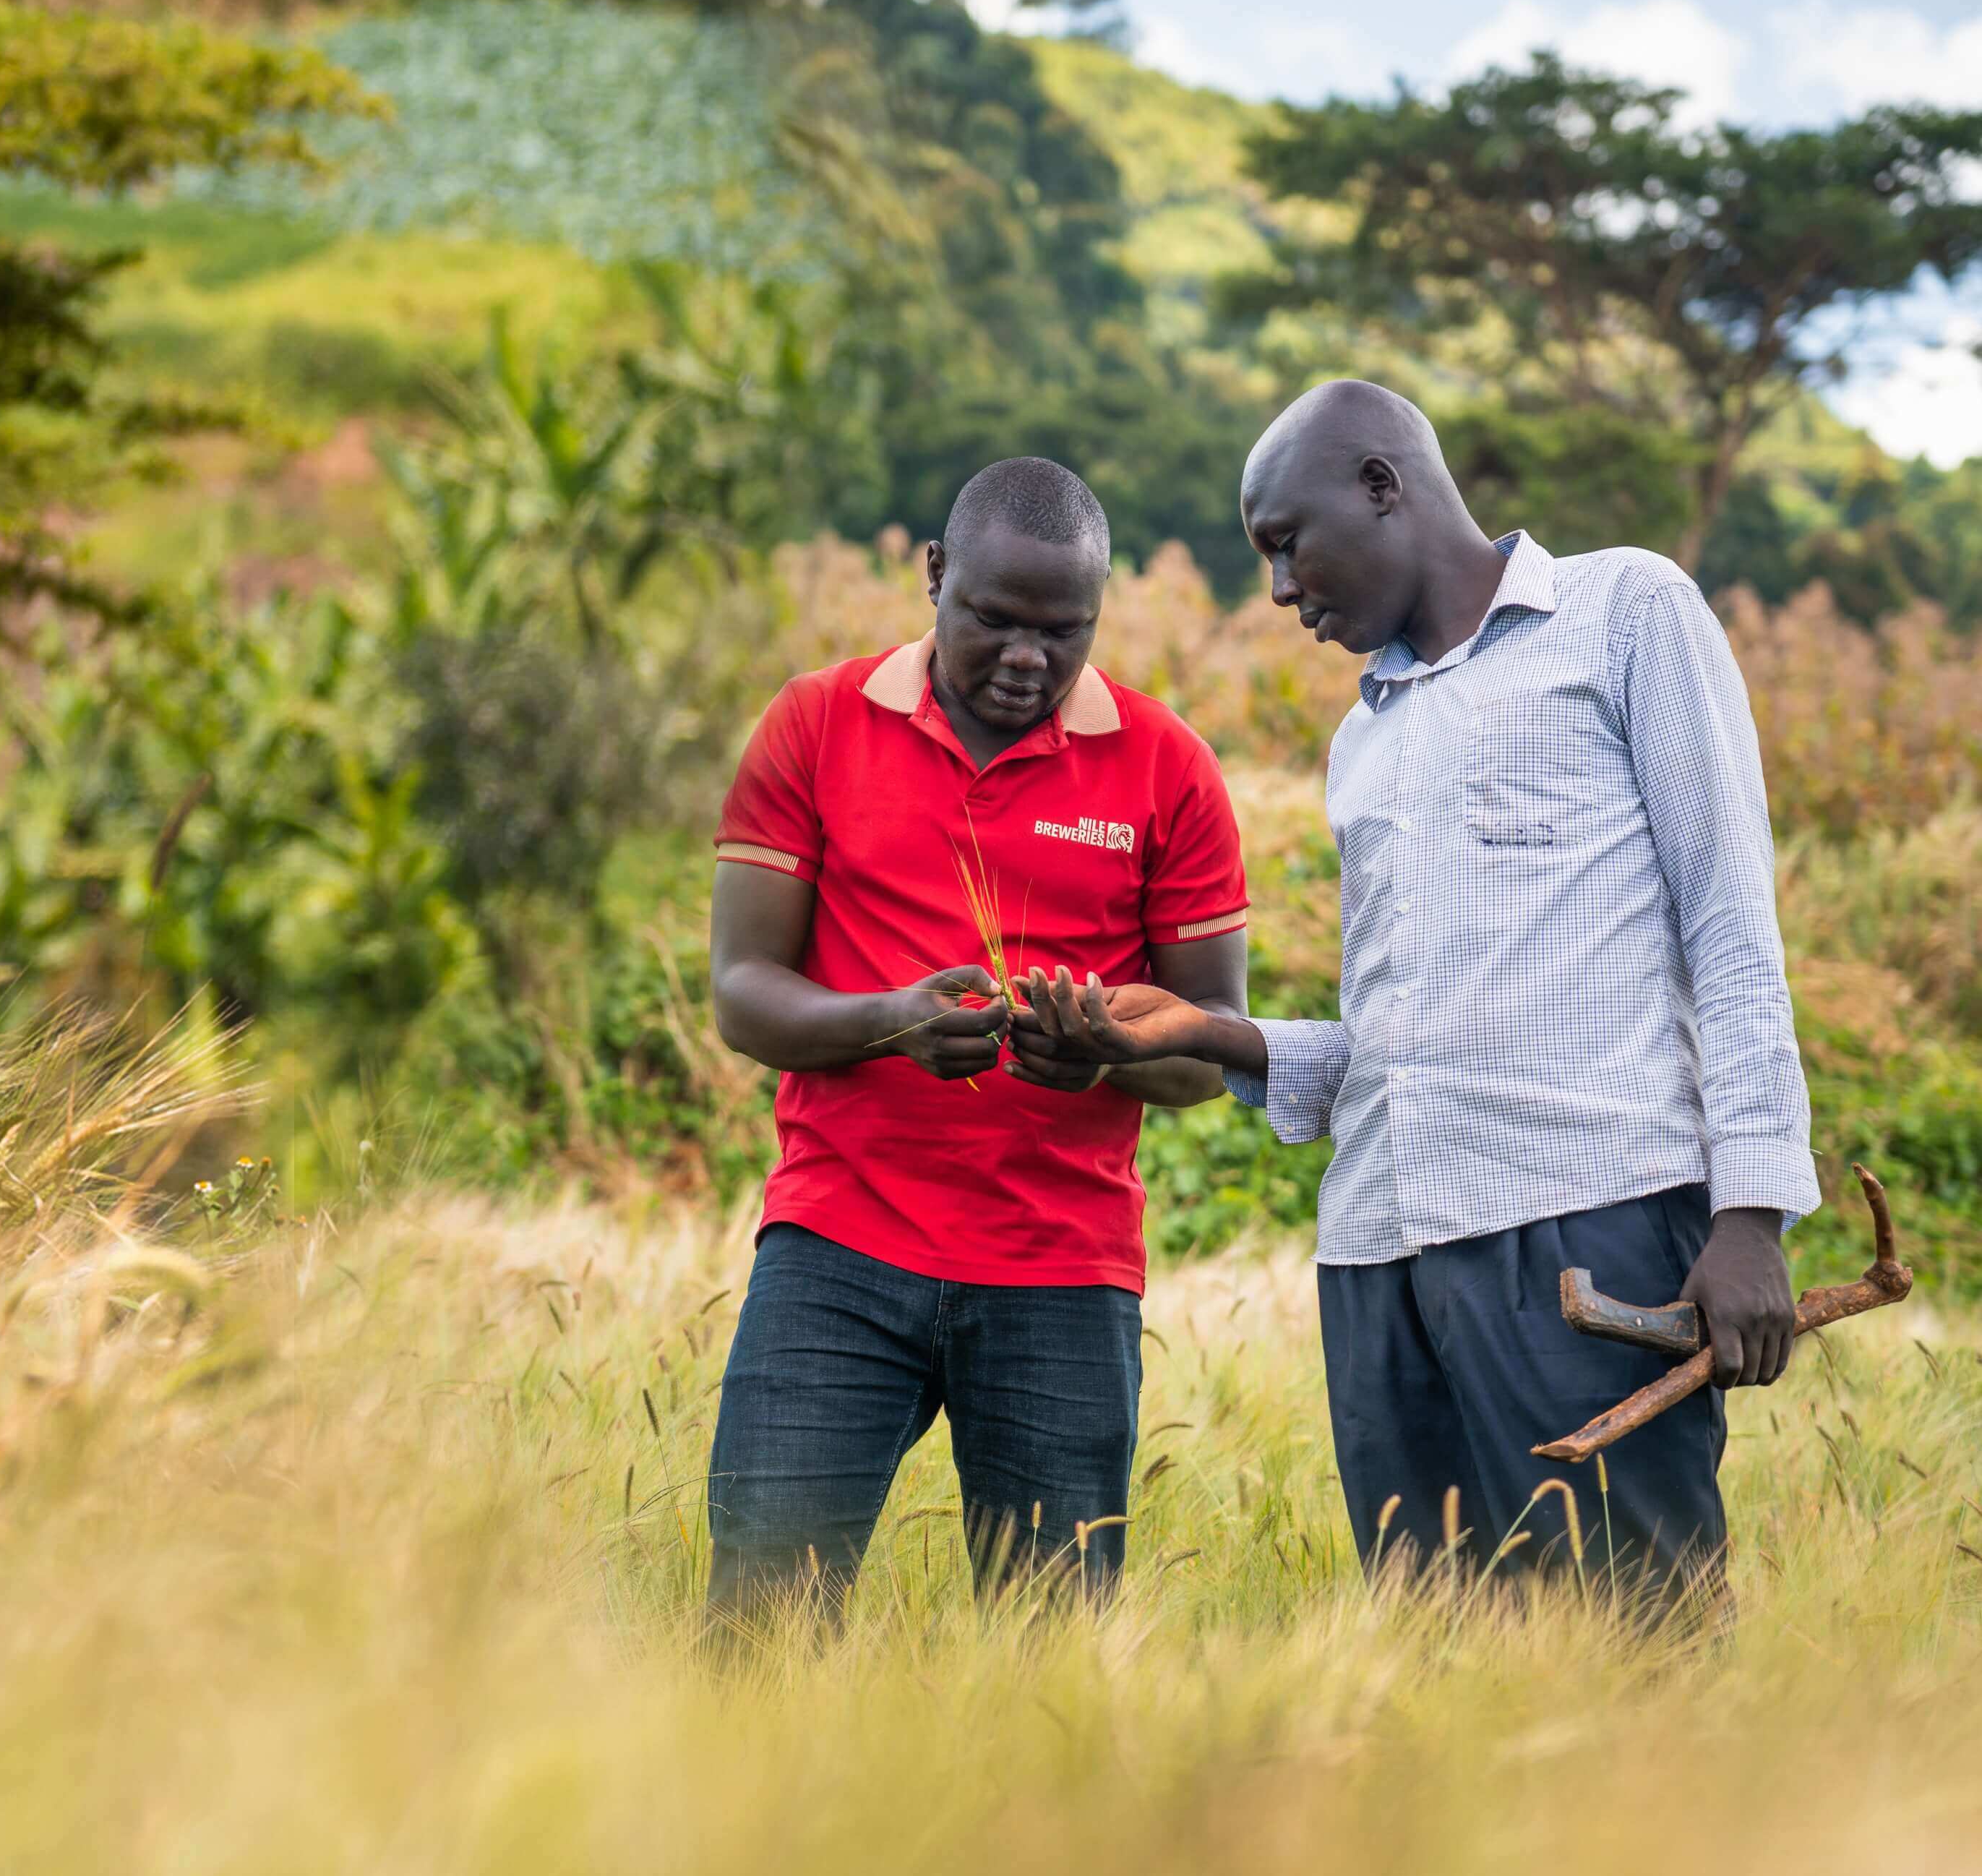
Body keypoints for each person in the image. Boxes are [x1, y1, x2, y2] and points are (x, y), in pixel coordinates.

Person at [1021, 379, 1811, 1604]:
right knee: (1435, 1669)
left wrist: (1753, 1212)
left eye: (1287, 545)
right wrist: (1215, 1036)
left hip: (1580, 1233)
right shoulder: (1366, 735)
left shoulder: (1625, 611)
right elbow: (1402, 1040)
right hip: (1381, 1255)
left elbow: (1731, 922)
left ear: (1382, 487)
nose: (1280, 591)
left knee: (1633, 1649)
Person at [700, 458, 1250, 1628]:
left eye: (1065, 634)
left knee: (1047, 1652)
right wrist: (888, 1024)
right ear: (936, 575)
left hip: (1063, 1269)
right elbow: (745, 994)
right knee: (760, 1615)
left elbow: (1210, 1052)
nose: (1027, 660)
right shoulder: (815, 722)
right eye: (995, 621)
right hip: (836, 1250)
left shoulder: (1169, 768)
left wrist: (1100, 1052)